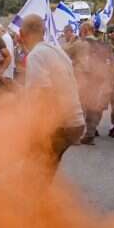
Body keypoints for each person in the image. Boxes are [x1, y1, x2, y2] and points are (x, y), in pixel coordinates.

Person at [17, 15, 85, 171]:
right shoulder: (57, 51)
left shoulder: (36, 55)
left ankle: (34, 194)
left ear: (21, 33)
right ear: (44, 31)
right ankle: (43, 193)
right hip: (75, 122)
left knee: (34, 169)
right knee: (46, 167)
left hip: (60, 123)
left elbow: (43, 95)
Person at [64, 21, 111, 145]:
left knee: (78, 107)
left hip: (82, 80)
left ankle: (75, 136)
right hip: (98, 81)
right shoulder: (102, 44)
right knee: (93, 108)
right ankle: (90, 133)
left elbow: (64, 53)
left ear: (84, 30)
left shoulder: (80, 43)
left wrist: (71, 41)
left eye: (80, 30)